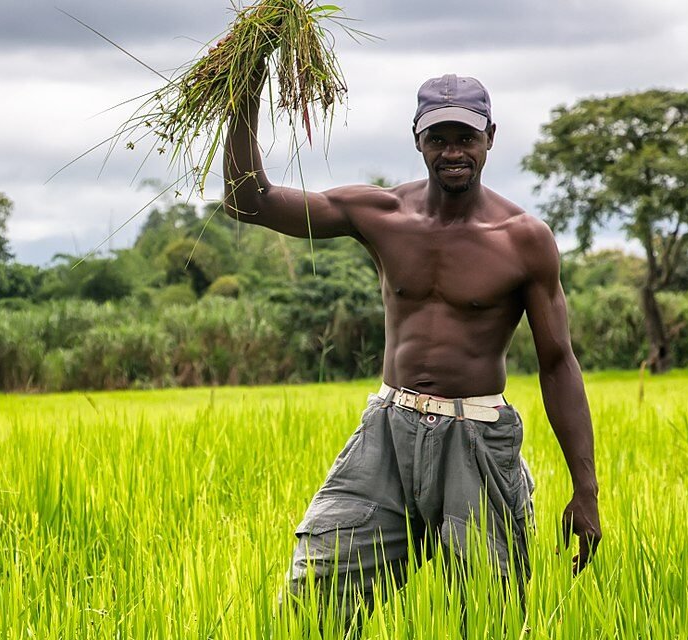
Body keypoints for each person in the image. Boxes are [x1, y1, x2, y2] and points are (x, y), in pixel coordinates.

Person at [224, 69, 601, 618]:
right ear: (417, 140)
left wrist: (585, 490)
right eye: (439, 139)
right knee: (311, 603)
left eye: (466, 138)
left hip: (475, 441)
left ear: (490, 138)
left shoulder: (523, 240)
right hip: (388, 432)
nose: (453, 152)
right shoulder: (383, 215)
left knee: (486, 614)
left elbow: (558, 363)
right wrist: (245, 85)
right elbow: (247, 200)